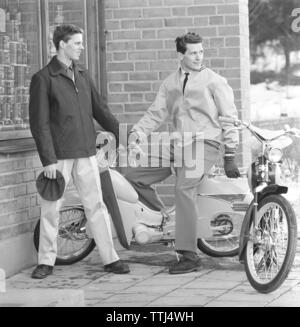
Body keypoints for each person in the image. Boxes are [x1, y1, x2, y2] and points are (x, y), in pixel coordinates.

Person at [126, 32, 240, 274]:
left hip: (205, 143)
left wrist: (230, 153)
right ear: (181, 55)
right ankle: (165, 221)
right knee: (132, 172)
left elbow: (230, 118)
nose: (199, 57)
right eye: (193, 52)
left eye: (201, 51)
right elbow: (155, 113)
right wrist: (137, 133)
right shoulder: (170, 83)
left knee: (182, 188)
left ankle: (189, 254)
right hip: (178, 143)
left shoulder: (214, 81)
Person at [29, 24, 130, 279]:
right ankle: (46, 261)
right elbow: (39, 123)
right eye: (77, 43)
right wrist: (48, 159)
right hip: (59, 155)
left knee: (96, 205)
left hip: (86, 152)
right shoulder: (43, 79)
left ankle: (110, 258)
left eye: (82, 43)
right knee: (51, 208)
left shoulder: (83, 74)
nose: (81, 47)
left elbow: (101, 110)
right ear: (62, 44)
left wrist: (124, 136)